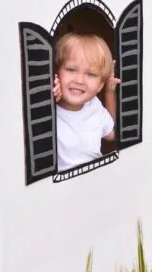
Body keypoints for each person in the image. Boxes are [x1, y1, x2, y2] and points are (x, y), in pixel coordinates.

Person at [52, 32, 121, 171]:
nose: (79, 80)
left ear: (100, 85)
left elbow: (112, 134)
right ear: (57, 73)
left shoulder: (94, 105)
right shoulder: (50, 108)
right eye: (71, 70)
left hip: (95, 179)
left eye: (90, 74)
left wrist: (109, 91)